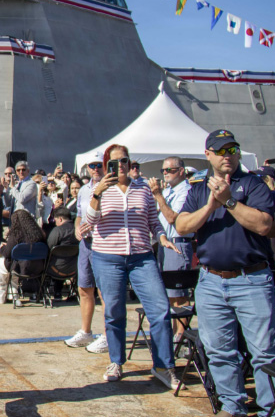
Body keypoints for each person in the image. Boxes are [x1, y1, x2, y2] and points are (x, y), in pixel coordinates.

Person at [175, 130, 275, 417]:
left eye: (232, 150)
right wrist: (211, 204)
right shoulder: (197, 189)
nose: (227, 156)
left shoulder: (253, 184)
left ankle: (269, 409)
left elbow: (264, 225)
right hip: (211, 281)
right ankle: (232, 407)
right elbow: (182, 226)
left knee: (264, 352)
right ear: (207, 154)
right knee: (220, 352)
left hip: (252, 279)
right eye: (220, 151)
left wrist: (230, 201)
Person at [86, 144, 180, 388]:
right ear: (107, 165)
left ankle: (163, 365)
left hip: (141, 256)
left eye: (125, 160)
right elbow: (89, 221)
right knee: (114, 311)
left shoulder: (143, 189)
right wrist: (97, 193)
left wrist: (161, 237)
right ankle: (116, 361)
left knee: (159, 309)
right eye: (115, 162)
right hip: (108, 257)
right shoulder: (99, 190)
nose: (121, 166)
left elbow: (152, 220)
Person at [64, 152, 108, 353]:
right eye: (93, 166)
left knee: (104, 291)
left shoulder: (110, 187)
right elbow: (79, 216)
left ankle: (108, 335)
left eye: (99, 165)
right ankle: (86, 331)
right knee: (84, 288)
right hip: (86, 244)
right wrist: (77, 228)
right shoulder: (82, 190)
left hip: (104, 243)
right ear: (88, 168)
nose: (96, 169)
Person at [149, 156, 193, 344]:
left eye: (170, 170)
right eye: (163, 171)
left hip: (178, 242)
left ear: (181, 171)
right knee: (169, 293)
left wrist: (158, 196)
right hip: (165, 243)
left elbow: (173, 218)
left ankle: (181, 337)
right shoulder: (169, 191)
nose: (165, 173)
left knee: (179, 293)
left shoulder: (186, 191)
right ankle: (176, 334)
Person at [0, 210, 47, 306]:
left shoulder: (16, 235)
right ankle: (12, 294)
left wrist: (2, 247)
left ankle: (1, 295)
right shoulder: (40, 234)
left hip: (19, 269)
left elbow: (7, 253)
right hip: (38, 268)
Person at [46, 207, 79, 299]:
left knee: (53, 258)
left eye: (55, 220)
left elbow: (49, 246)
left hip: (56, 269)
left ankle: (55, 292)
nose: (55, 222)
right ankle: (73, 291)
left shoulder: (57, 230)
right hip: (75, 269)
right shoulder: (78, 230)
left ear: (60, 219)